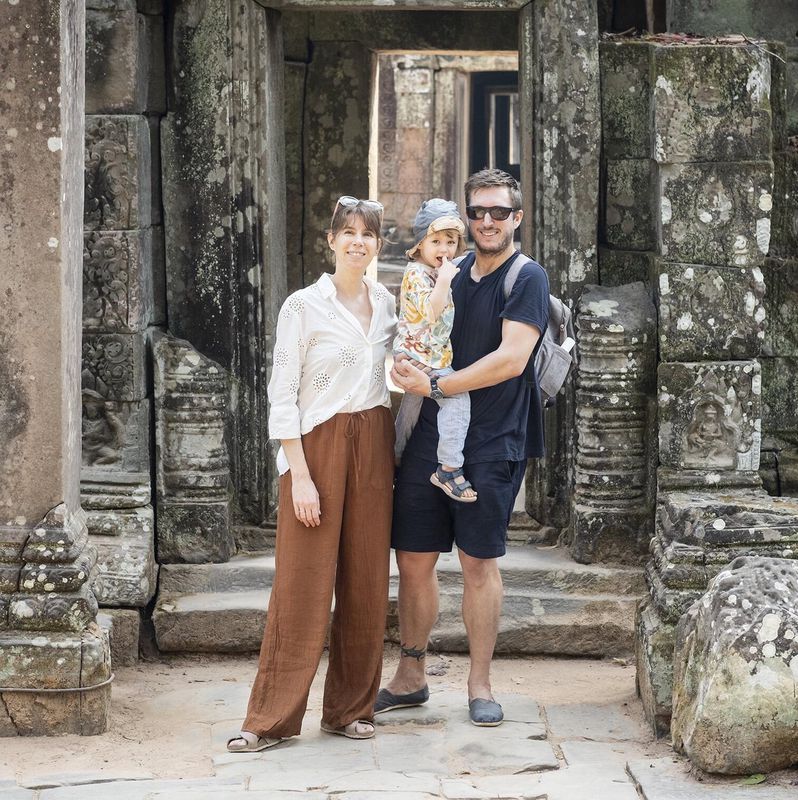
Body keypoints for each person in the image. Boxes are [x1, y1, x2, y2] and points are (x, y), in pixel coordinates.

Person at [375, 169, 550, 727]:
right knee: (414, 559)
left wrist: (439, 385)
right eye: (478, 212)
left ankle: (479, 682)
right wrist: (407, 368)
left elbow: (512, 359)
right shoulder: (445, 274)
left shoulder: (527, 278)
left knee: (478, 563)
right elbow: (420, 335)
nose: (487, 221)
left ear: (516, 218)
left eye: (499, 212)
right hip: (431, 434)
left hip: (495, 439)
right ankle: (411, 674)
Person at [227, 196, 397, 752]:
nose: (357, 242)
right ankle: (270, 719)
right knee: (301, 581)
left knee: (367, 577)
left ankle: (350, 709)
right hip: (315, 446)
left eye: (367, 234)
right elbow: (282, 395)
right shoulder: (303, 306)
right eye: (347, 232)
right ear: (331, 241)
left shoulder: (390, 304)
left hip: (373, 439)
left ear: (378, 244)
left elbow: (411, 364)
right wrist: (298, 474)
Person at [393, 198, 476, 503]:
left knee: (410, 413)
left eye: (450, 242)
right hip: (422, 356)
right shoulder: (417, 274)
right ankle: (449, 468)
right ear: (419, 245)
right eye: (436, 241)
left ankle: (395, 458)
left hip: (427, 354)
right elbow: (430, 312)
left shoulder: (438, 271)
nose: (444, 249)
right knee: (456, 398)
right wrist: (444, 281)